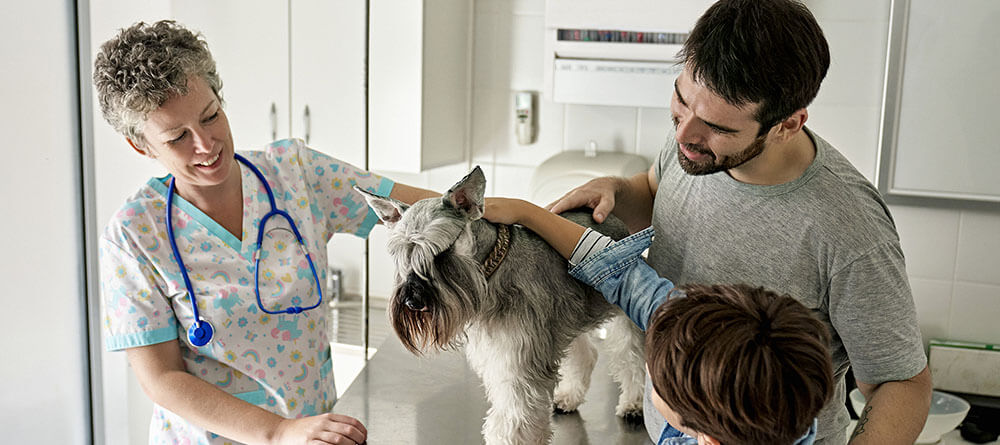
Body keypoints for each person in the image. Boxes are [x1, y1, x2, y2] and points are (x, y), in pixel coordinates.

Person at [545, 1, 931, 444]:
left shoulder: (849, 229)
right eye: (680, 99)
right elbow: (659, 192)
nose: (684, 133)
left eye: (717, 127)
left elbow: (901, 384)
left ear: (788, 124)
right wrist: (620, 189)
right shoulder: (694, 142)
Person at [94, 20, 436, 445]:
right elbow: (161, 378)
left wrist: (525, 214)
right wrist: (277, 431)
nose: (206, 144)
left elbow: (431, 210)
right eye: (178, 136)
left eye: (211, 116)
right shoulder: (132, 236)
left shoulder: (297, 173)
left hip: (312, 434)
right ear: (141, 146)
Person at [484, 198, 834, 444]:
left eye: (654, 370)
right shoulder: (686, 328)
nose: (650, 365)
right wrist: (526, 213)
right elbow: (626, 277)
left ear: (704, 438)